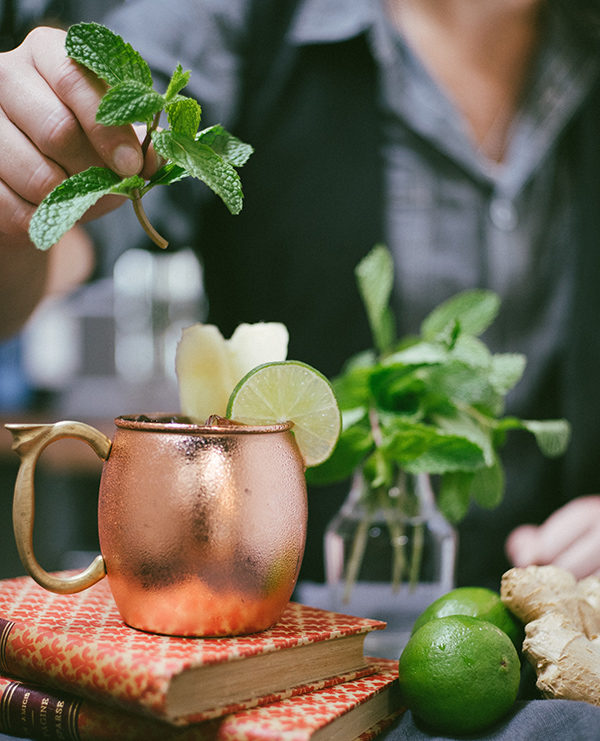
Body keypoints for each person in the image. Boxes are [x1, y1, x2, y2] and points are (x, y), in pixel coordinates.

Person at [1, 0, 600, 592]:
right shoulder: (238, 20)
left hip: (556, 639)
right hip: (290, 635)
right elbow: (57, 246)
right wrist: (23, 184)